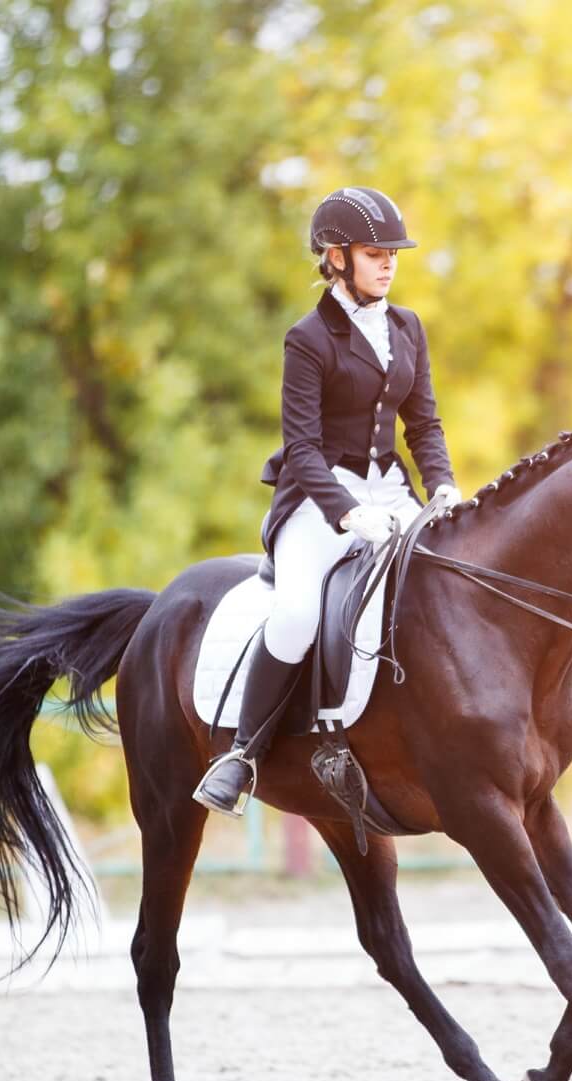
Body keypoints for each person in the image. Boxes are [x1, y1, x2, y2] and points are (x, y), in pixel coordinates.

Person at [194, 187, 462, 815]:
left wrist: (443, 482)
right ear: (337, 258)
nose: (389, 263)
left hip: (391, 493)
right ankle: (242, 754)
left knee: (444, 590)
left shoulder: (407, 327)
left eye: (392, 253)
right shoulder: (307, 338)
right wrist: (346, 511)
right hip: (317, 502)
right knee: (294, 616)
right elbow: (303, 447)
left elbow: (422, 425)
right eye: (375, 253)